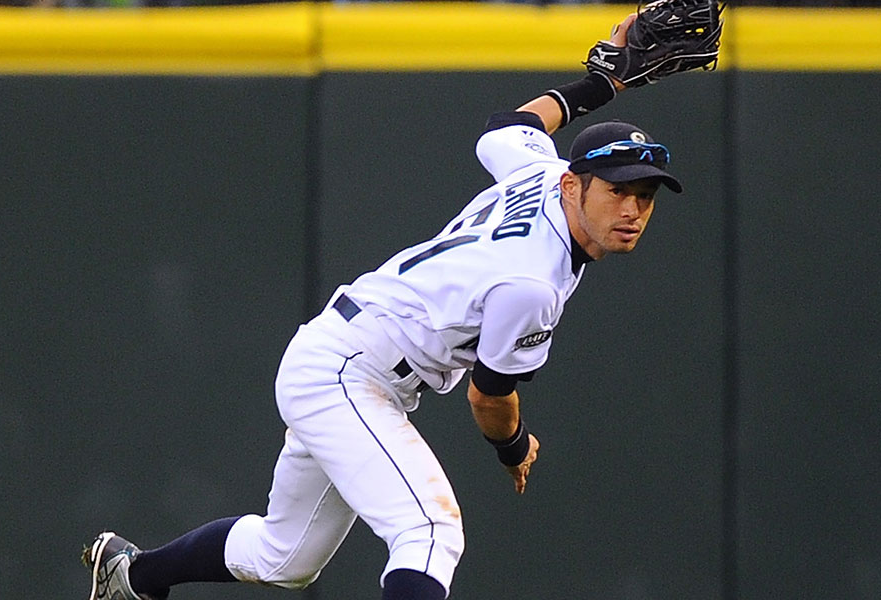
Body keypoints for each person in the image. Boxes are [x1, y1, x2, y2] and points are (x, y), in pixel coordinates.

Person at [83, 13, 683, 600]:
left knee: (284, 557)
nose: (631, 210)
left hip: (348, 355)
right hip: (350, 371)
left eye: (644, 195)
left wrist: (603, 81)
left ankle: (131, 577)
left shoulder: (540, 173)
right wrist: (514, 443)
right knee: (430, 532)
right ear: (574, 185)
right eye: (617, 190)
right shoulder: (533, 283)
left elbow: (509, 124)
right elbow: (489, 395)